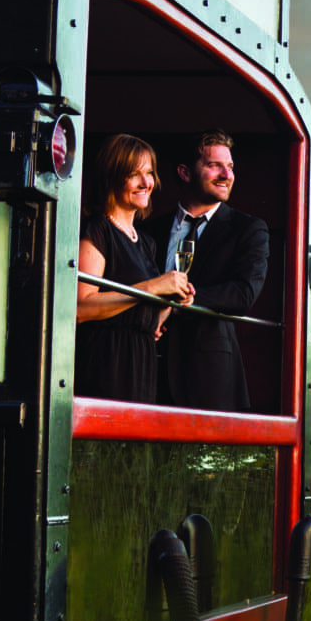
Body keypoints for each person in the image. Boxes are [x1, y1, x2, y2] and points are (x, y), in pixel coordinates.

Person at [148, 129, 269, 411]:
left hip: (208, 378)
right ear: (185, 173)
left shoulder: (248, 229)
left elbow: (243, 293)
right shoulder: (148, 231)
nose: (226, 175)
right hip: (147, 370)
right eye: (214, 165)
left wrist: (178, 303)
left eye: (230, 167)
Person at [75, 134, 195, 403]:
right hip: (106, 364)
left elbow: (137, 310)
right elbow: (81, 308)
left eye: (150, 173)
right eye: (134, 174)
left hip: (141, 363)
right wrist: (153, 287)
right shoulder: (97, 229)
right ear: (112, 177)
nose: (146, 183)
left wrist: (168, 304)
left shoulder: (146, 242)